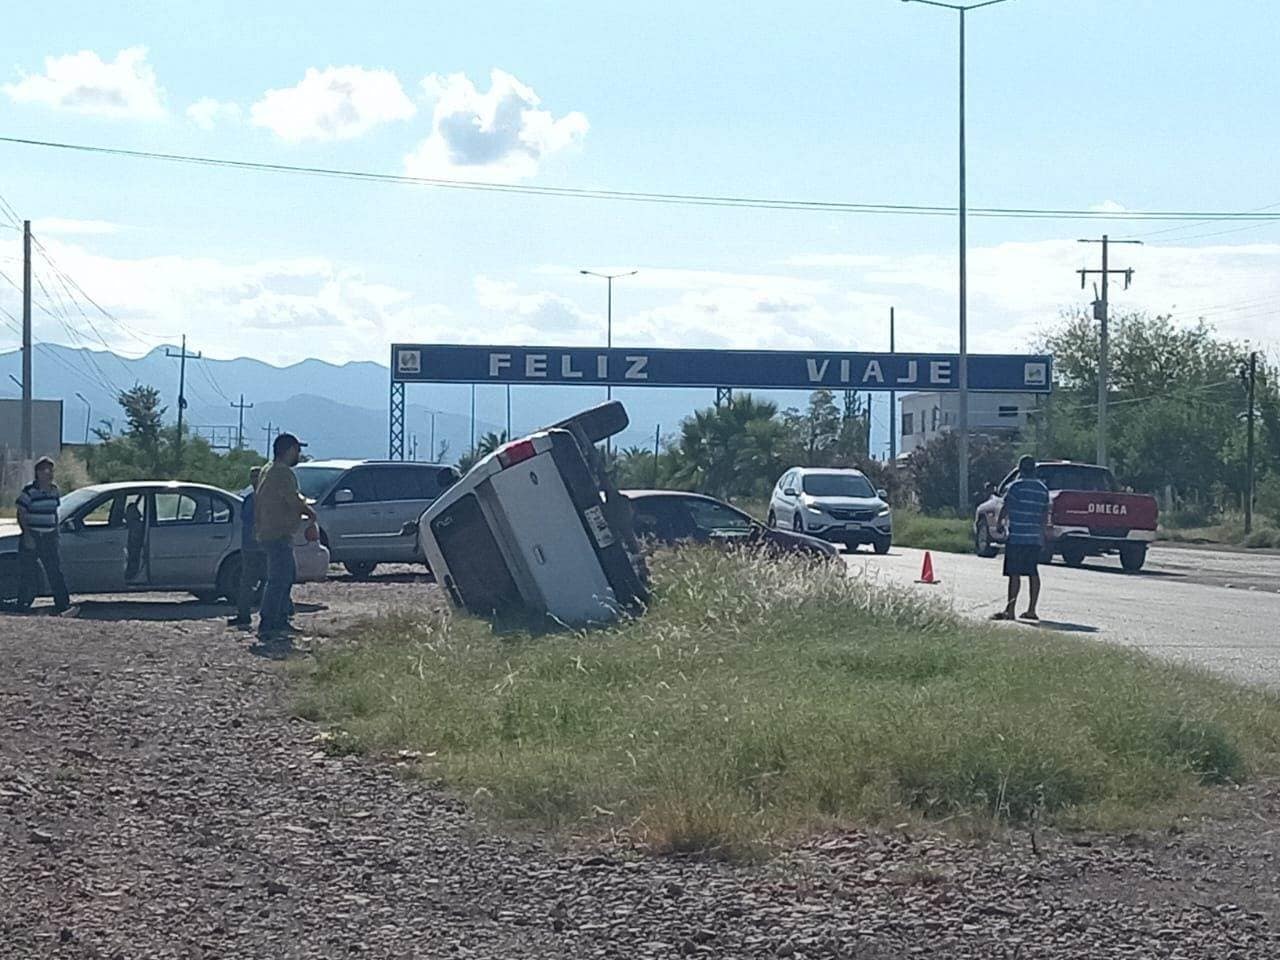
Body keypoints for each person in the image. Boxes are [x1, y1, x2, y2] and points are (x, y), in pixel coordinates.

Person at [253, 434, 316, 649]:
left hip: (270, 532)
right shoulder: (283, 473)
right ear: (288, 450)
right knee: (279, 579)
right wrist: (310, 512)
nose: (299, 454)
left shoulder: (268, 470)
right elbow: (292, 499)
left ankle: (278, 620)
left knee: (285, 576)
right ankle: (269, 624)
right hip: (277, 533)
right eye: (297, 450)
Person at [993, 455, 1050, 622]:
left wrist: (999, 523)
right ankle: (1032, 609)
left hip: (1017, 536)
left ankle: (1010, 610)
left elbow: (1006, 506)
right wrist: (1043, 534)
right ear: (1034, 469)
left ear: (1020, 469)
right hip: (1033, 537)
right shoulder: (1042, 489)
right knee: (1033, 572)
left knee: (1014, 573)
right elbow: (1044, 514)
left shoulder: (1015, 487)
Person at [15, 456, 75, 616]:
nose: (48, 473)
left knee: (54, 571)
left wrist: (55, 531)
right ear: (38, 473)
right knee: (28, 572)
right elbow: (21, 513)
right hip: (33, 535)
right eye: (45, 470)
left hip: (49, 537)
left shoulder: (54, 490)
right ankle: (22, 605)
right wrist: (27, 534)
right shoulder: (29, 491)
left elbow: (54, 512)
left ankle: (63, 605)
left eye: (50, 470)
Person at [227, 465, 265, 629]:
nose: (255, 480)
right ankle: (244, 615)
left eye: (257, 476)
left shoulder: (258, 498)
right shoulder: (252, 499)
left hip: (261, 546)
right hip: (254, 546)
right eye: (253, 477)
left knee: (268, 581)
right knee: (250, 582)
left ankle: (280, 613)